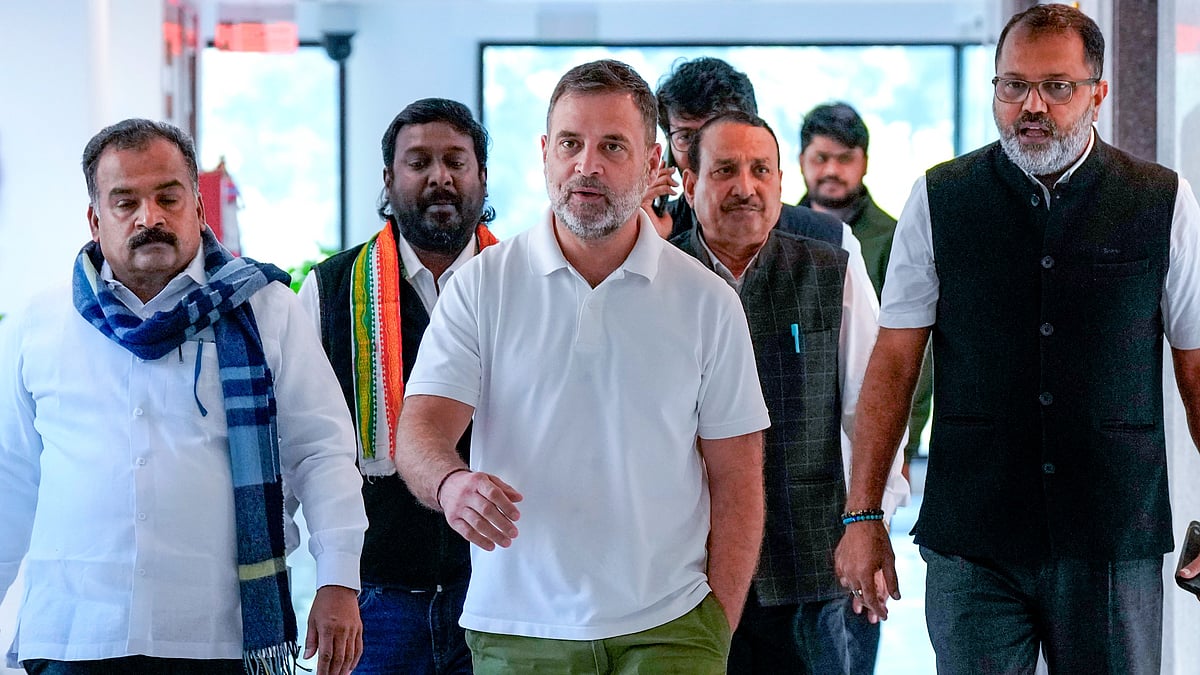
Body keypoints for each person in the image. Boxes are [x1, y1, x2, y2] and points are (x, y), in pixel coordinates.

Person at [834, 5, 1200, 674]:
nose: (1032, 106)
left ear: (1098, 93)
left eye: (1057, 87)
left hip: (1113, 533)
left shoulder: (1162, 201)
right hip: (973, 534)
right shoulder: (939, 197)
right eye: (1014, 85)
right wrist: (864, 515)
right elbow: (893, 360)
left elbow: (1197, 365)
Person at [393, 59, 770, 673]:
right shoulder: (482, 287)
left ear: (653, 164)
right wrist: (449, 482)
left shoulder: (707, 301)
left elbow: (739, 482)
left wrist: (714, 630)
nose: (586, 165)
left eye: (612, 146)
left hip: (671, 626)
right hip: (517, 629)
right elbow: (420, 430)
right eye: (570, 143)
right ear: (545, 153)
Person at [0, 119, 367, 675]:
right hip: (76, 633)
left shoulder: (266, 311)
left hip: (215, 633)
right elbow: (12, 477)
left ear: (198, 205)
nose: (150, 217)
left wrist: (338, 579)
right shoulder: (41, 321)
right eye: (126, 202)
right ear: (96, 220)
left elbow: (321, 451)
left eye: (167, 196)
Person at [674, 111, 907, 675]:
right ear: (689, 183)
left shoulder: (831, 267)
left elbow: (868, 408)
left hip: (805, 560)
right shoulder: (657, 276)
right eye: (725, 170)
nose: (746, 188)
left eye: (761, 170)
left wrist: (869, 520)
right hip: (682, 570)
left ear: (782, 181)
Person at [297, 98, 498, 675]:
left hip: (498, 593)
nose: (440, 177)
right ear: (389, 179)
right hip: (372, 600)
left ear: (482, 176)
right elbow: (306, 443)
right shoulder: (332, 290)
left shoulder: (524, 285)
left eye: (456, 161)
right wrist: (330, 580)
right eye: (419, 162)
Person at [798, 102, 932, 480]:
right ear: (801, 160)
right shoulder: (777, 234)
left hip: (871, 428)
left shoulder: (894, 239)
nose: (831, 171)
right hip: (793, 427)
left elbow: (917, 351)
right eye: (821, 157)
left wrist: (905, 443)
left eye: (845, 159)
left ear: (865, 162)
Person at [646, 57, 844, 249]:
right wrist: (645, 245)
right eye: (686, 137)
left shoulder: (827, 237)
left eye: (719, 133)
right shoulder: (652, 231)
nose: (702, 153)